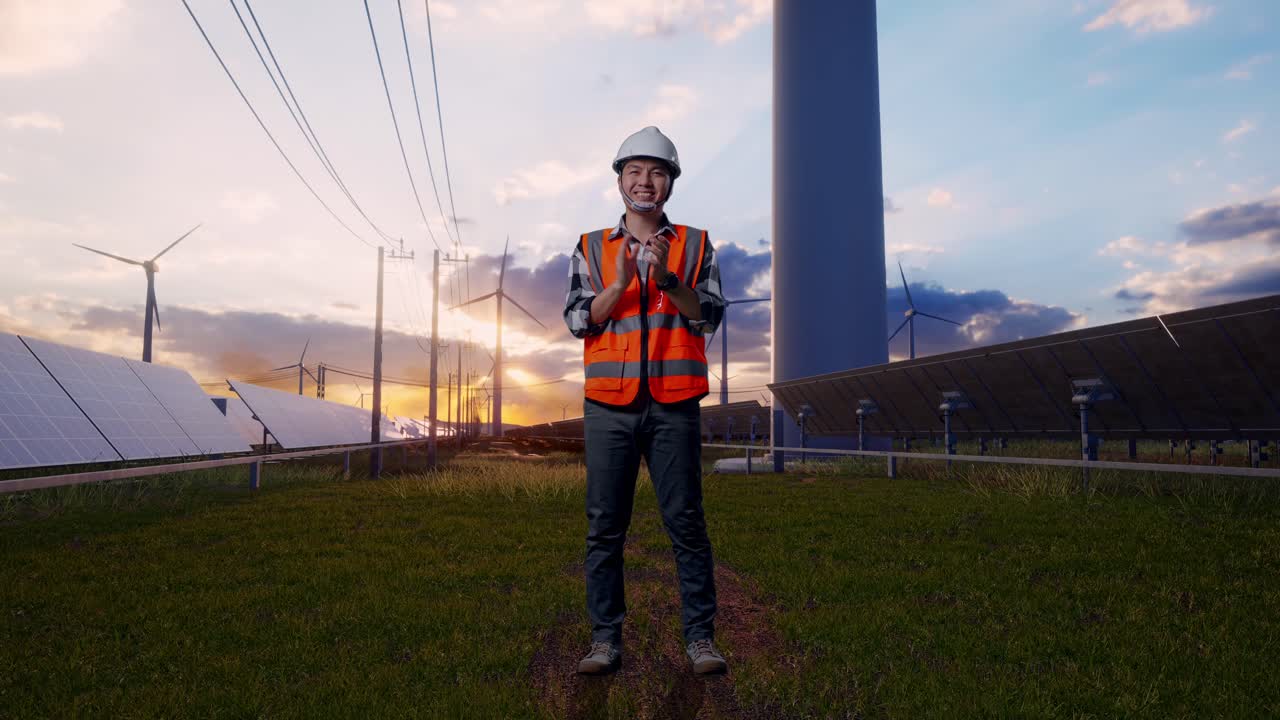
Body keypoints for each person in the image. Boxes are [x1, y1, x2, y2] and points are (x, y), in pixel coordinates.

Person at [562, 126, 727, 676]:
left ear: (670, 184)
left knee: (685, 522)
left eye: (657, 172)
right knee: (604, 526)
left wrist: (668, 278)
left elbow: (709, 315)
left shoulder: (697, 243)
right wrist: (623, 282)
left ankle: (700, 638)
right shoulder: (590, 246)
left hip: (674, 402)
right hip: (609, 404)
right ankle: (605, 640)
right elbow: (578, 318)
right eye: (635, 171)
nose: (646, 181)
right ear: (619, 180)